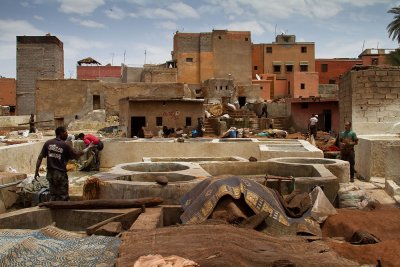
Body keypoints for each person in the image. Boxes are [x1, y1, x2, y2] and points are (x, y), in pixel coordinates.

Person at [34, 127, 91, 201]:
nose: (67, 135)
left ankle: (53, 210)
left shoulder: (48, 143)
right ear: (61, 133)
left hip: (50, 174)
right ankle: (63, 211)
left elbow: (40, 157)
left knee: (53, 195)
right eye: (66, 133)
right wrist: (88, 148)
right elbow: (77, 155)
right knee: (63, 197)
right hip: (60, 174)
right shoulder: (65, 145)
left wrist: (36, 171)